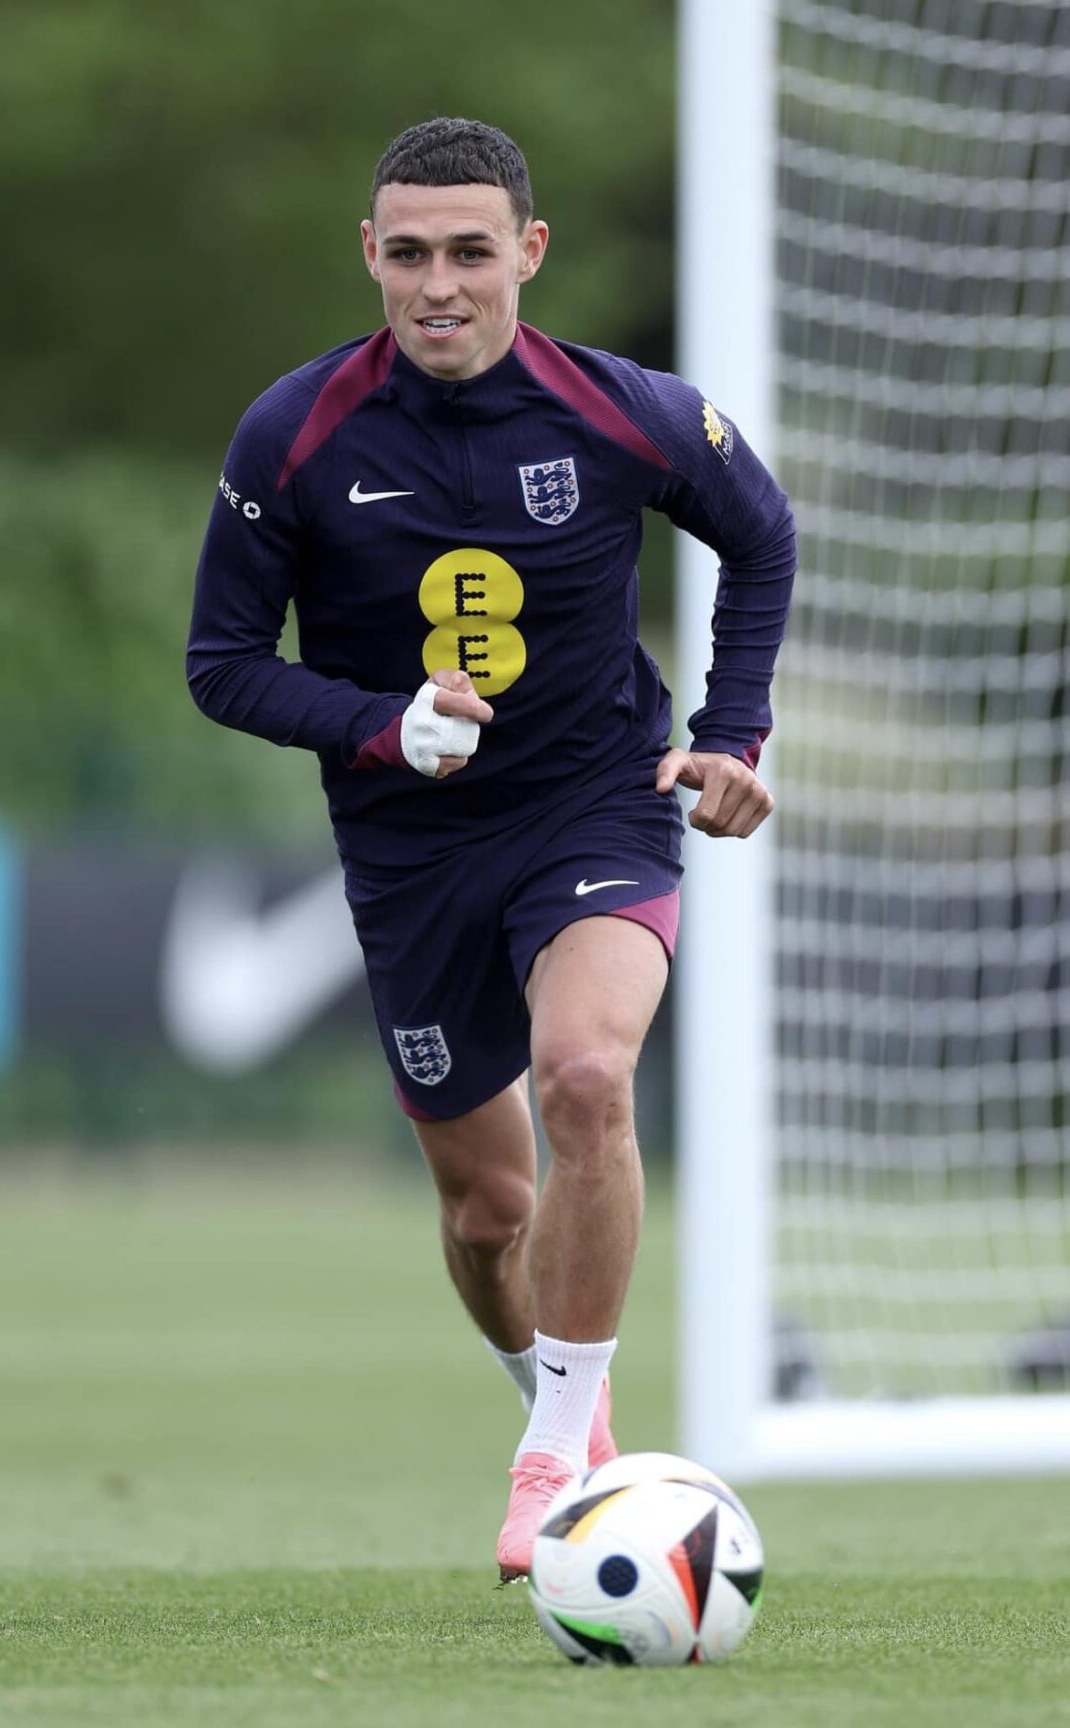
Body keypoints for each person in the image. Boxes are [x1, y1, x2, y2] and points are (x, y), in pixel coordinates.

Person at [186, 117, 795, 1580]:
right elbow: (220, 663)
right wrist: (387, 725)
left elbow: (758, 529)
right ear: (371, 258)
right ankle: (562, 1417)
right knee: (485, 1211)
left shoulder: (622, 409)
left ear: (527, 252)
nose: (439, 284)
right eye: (409, 254)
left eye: (470, 251)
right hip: (408, 851)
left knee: (588, 1078)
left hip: (592, 801)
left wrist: (731, 730)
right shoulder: (296, 433)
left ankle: (552, 1460)